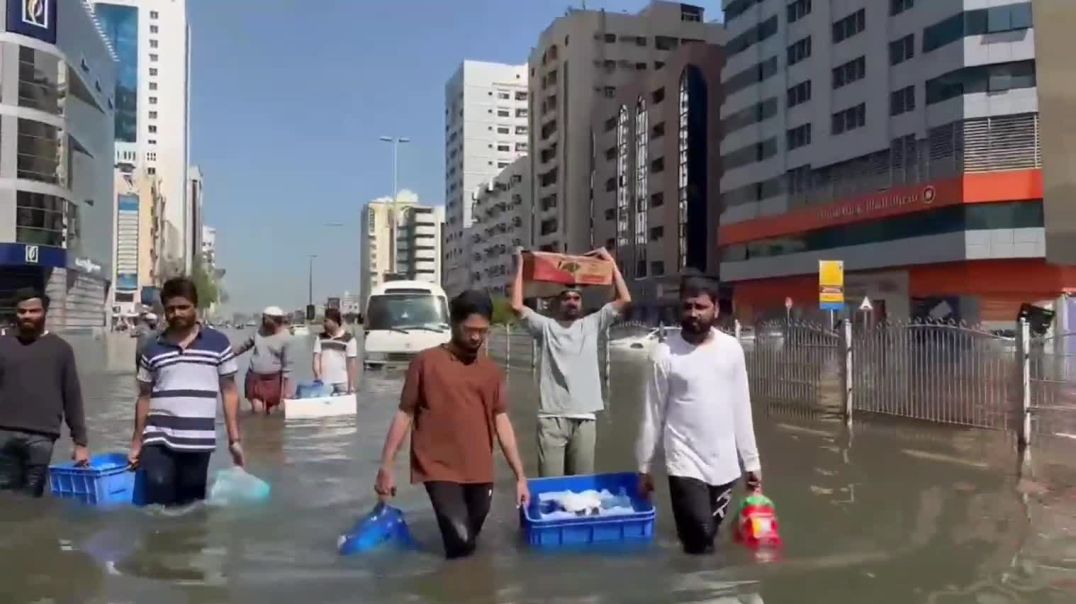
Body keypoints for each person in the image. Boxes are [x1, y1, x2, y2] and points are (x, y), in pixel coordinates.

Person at [375, 290, 530, 559]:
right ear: (454, 323)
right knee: (460, 539)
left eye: (483, 331)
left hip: (480, 468)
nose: (475, 337)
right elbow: (404, 414)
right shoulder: (425, 362)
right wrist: (386, 466)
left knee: (468, 539)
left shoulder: (491, 372)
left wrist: (520, 476)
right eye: (470, 330)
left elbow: (500, 419)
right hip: (437, 466)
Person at [635, 276, 762, 555]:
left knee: (703, 540)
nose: (693, 313)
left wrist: (751, 462)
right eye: (687, 306)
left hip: (725, 465)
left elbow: (741, 407)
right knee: (702, 537)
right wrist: (644, 466)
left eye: (701, 306)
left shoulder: (731, 350)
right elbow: (652, 413)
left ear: (716, 309)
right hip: (684, 461)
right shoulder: (664, 353)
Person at [510, 247, 631, 477]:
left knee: (581, 489)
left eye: (576, 298)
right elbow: (516, 306)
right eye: (566, 298)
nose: (572, 302)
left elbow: (624, 299)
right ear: (557, 303)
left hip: (584, 418)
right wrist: (519, 266)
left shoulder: (593, 323)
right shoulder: (545, 327)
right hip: (551, 418)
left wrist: (610, 262)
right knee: (551, 488)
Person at [129, 277, 244, 507]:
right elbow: (144, 396)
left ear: (195, 306)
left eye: (183, 307)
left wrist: (234, 439)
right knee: (158, 485)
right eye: (171, 309)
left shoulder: (218, 343)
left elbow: (229, 391)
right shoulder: (152, 348)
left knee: (190, 505)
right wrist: (136, 441)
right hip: (158, 436)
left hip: (198, 440)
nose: (177, 313)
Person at [0, 289, 89, 497]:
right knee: (5, 497)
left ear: (45, 312)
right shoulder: (3, 344)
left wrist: (80, 442)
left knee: (32, 496)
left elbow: (72, 397)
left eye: (33, 311)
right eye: (22, 311)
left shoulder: (61, 349)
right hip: (3, 433)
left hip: (42, 437)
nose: (27, 316)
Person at [234, 306, 295, 414]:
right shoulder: (258, 332)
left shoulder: (286, 338)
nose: (264, 321)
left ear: (276, 321)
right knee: (258, 410)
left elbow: (287, 366)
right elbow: (243, 346)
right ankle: (256, 429)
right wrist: (228, 354)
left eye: (266, 319)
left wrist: (286, 392)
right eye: (263, 319)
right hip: (255, 376)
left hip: (274, 379)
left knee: (272, 412)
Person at [313, 308, 358, 394]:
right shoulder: (320, 338)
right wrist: (317, 376)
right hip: (324, 383)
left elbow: (352, 364)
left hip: (342, 383)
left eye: (326, 321)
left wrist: (351, 385)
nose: (324, 324)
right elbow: (316, 359)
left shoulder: (349, 339)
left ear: (335, 321)